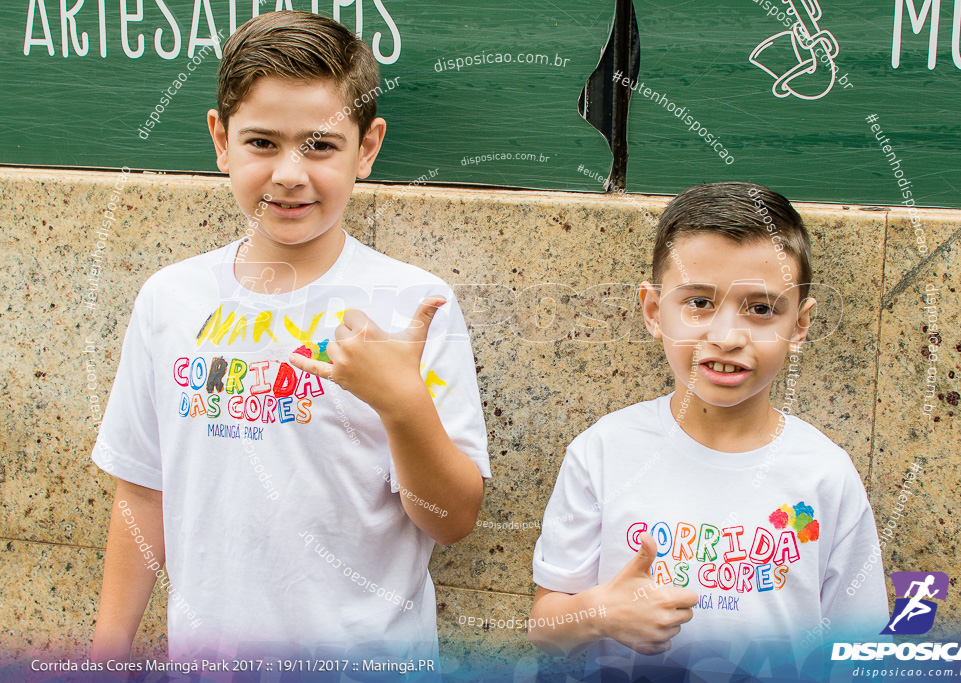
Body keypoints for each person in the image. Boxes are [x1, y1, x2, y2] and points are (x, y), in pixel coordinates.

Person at [89, 10, 489, 672]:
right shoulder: (171, 299)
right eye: (262, 143)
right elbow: (142, 489)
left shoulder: (410, 306)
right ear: (221, 140)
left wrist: (403, 403)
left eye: (321, 146)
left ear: (367, 146)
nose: (289, 173)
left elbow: (451, 519)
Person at [528, 182, 888, 680]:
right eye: (698, 302)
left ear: (800, 325)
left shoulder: (825, 474)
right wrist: (600, 612)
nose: (725, 336)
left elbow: (860, 648)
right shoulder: (605, 450)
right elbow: (545, 626)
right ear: (655, 311)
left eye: (761, 309)